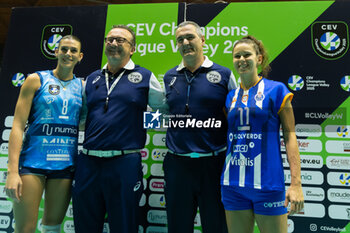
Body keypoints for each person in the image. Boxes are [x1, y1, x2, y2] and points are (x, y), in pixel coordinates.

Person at [72, 24, 165, 233]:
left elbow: (164, 108)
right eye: (110, 39)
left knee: (124, 226)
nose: (113, 43)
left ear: (132, 49)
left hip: (124, 163)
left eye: (120, 40)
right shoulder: (92, 78)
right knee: (84, 226)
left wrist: (142, 124)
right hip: (88, 163)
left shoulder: (144, 76)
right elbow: (83, 117)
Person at [221, 35, 304, 233]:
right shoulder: (230, 97)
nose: (241, 60)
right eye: (237, 56)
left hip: (268, 185)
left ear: (259, 59)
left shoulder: (277, 90)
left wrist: (296, 184)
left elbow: (290, 135)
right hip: (232, 185)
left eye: (247, 55)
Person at [163, 21, 237, 233]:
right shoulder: (169, 76)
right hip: (177, 165)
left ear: (202, 40)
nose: (185, 43)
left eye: (190, 37)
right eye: (180, 40)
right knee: (178, 227)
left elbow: (235, 114)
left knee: (216, 227)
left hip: (213, 165)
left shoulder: (224, 74)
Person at [4, 35, 84, 233]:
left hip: (64, 166)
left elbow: (81, 122)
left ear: (80, 56)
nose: (68, 54)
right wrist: (13, 172)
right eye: (64, 49)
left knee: (53, 228)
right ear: (56, 52)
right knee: (25, 229)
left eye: (73, 51)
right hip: (33, 164)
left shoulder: (83, 87)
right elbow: (17, 126)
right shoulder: (35, 80)